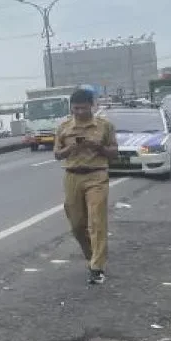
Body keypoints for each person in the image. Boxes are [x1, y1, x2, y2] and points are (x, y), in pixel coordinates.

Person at [53, 88, 118, 284]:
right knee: (76, 225)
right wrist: (70, 149)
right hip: (72, 176)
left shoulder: (104, 126)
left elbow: (114, 152)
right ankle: (92, 257)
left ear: (92, 105)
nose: (79, 112)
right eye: (75, 109)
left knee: (97, 220)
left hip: (96, 174)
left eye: (83, 108)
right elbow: (56, 154)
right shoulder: (64, 127)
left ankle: (97, 266)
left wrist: (99, 147)